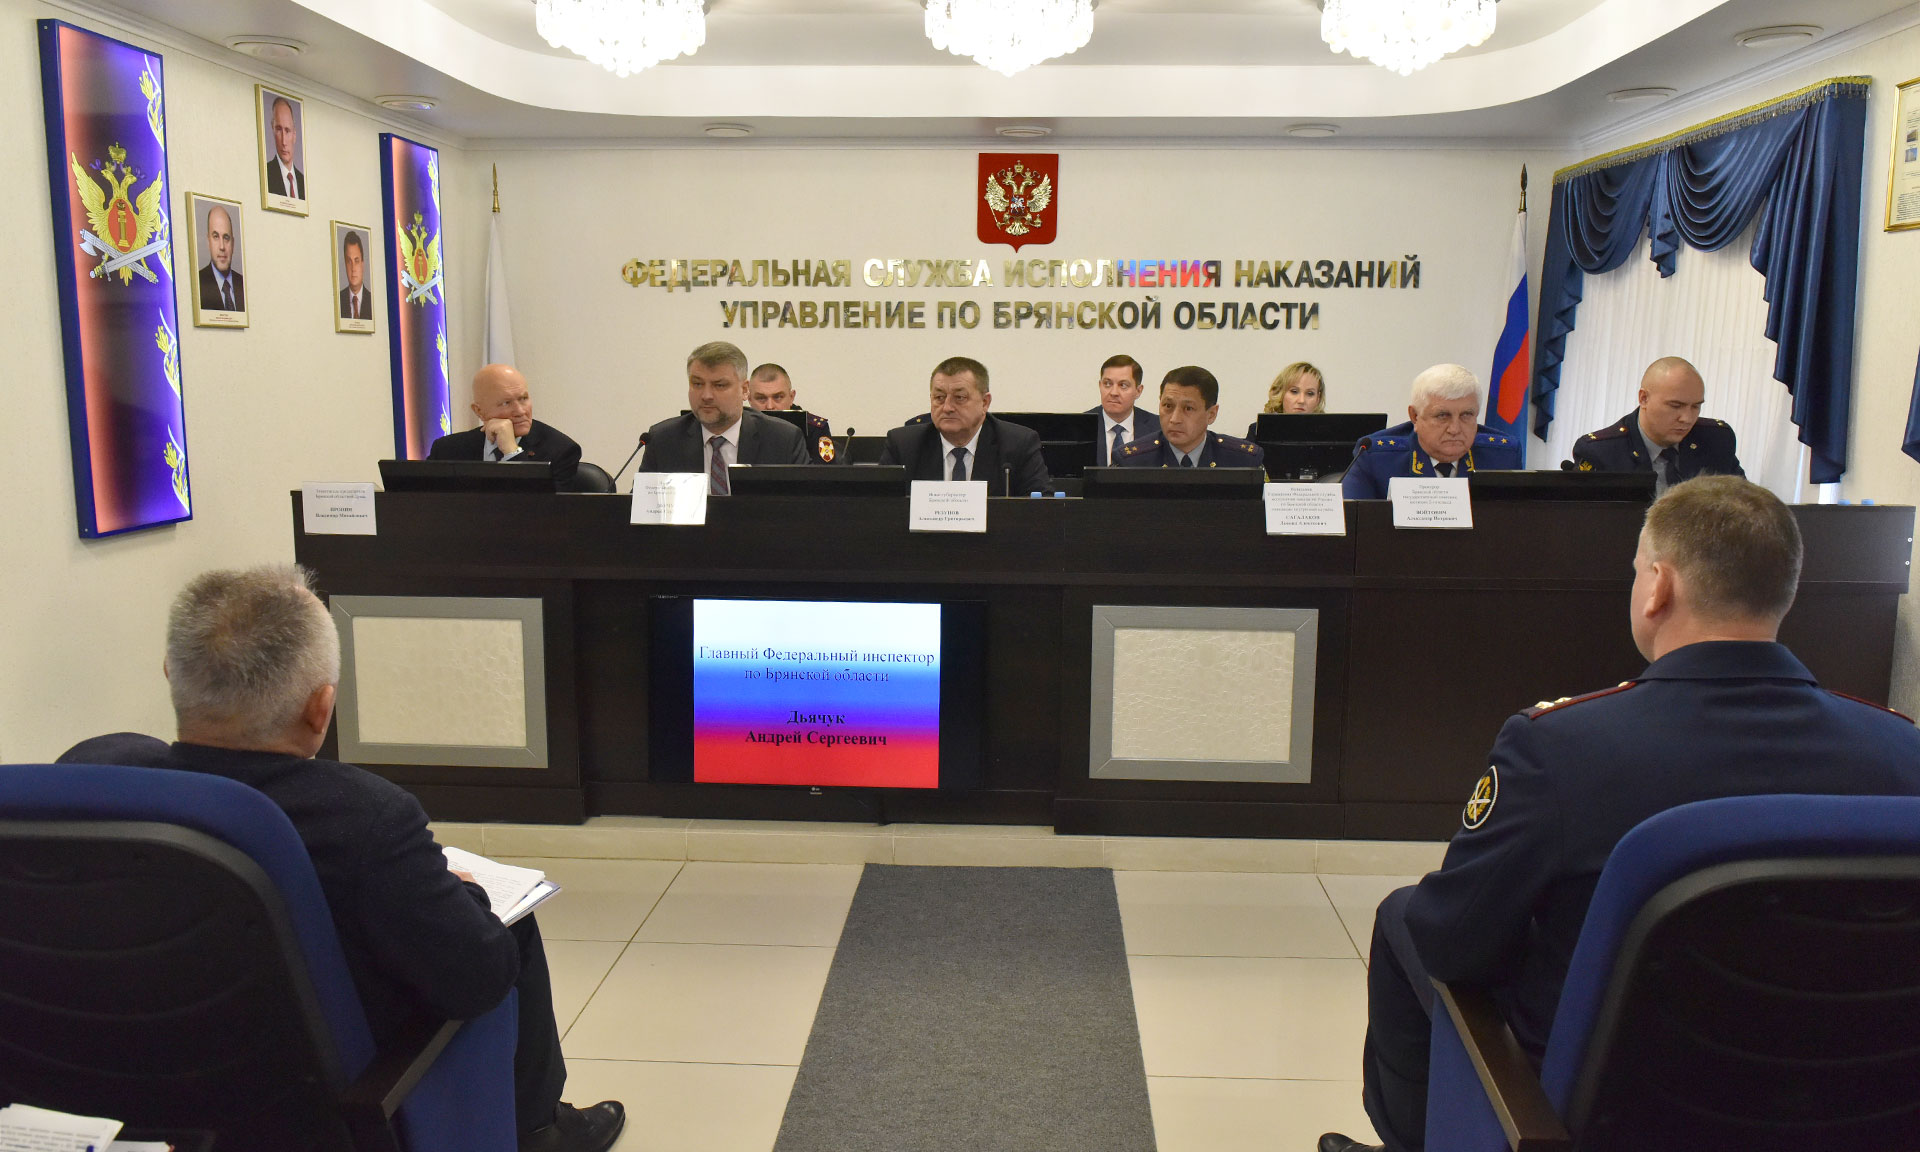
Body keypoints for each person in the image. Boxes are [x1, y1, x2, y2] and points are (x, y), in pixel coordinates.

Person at [1317, 476, 1920, 1152]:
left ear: (1658, 585)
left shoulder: (1559, 746)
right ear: (1785, 591)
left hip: (1609, 1115)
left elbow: (1451, 942)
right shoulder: (1903, 752)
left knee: (1406, 916)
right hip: (1854, 1110)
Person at [60, 566, 624, 1152]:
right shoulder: (363, 817)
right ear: (321, 707)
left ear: (170, 674)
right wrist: (467, 894)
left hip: (132, 1087)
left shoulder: (94, 781)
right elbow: (478, 982)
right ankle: (538, 1131)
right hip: (322, 1100)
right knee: (504, 928)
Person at [639, 341, 810, 491]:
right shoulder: (663, 440)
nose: (706, 395)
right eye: (697, 384)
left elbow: (805, 509)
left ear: (744, 390)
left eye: (719, 385)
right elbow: (641, 509)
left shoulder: (783, 439)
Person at [1570, 356, 1744, 494]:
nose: (1687, 418)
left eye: (1695, 406)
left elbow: (1744, 507)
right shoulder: (1602, 452)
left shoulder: (1716, 440)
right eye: (1675, 406)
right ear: (1644, 398)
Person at [1340, 365, 1519, 499]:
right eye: (1442, 416)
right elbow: (1351, 525)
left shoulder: (1502, 457)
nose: (1455, 429)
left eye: (1466, 415)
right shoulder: (1376, 457)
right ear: (1415, 416)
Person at [879, 356, 1050, 495]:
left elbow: (1042, 510)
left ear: (984, 402)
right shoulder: (903, 445)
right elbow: (879, 508)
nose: (947, 407)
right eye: (939, 398)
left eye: (959, 398)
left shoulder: (1018, 444)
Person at [429, 364, 582, 486]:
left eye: (523, 399)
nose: (520, 411)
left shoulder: (561, 451)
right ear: (479, 411)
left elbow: (540, 510)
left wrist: (512, 452)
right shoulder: (447, 450)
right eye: (506, 403)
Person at [1114, 365, 1265, 469]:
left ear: (1211, 414)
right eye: (1168, 406)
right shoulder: (1132, 461)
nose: (1174, 419)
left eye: (1188, 408)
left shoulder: (1243, 461)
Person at [749, 362, 836, 463]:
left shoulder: (814, 428)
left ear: (791, 397)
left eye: (778, 397)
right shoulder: (742, 426)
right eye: (761, 398)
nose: (770, 406)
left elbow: (824, 471)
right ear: (749, 399)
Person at [1086, 354, 1160, 466]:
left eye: (1123, 385)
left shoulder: (1158, 428)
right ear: (1100, 386)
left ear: (1138, 391)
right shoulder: (1080, 426)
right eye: (1107, 384)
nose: (1114, 392)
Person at [198, 204, 244, 313]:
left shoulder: (243, 284)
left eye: (226, 238)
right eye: (216, 237)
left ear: (233, 243)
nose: (222, 246)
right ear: (208, 241)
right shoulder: (198, 284)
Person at [266, 96, 306, 199]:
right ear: (273, 130)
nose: (283, 142)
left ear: (294, 135)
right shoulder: (265, 175)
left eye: (287, 131)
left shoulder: (303, 182)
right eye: (279, 130)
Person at [338, 230, 371, 321]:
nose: (353, 268)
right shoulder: (338, 300)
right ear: (345, 264)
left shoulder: (373, 301)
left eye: (356, 261)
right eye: (349, 261)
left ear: (362, 264)